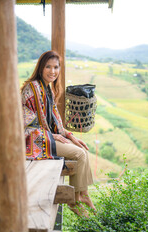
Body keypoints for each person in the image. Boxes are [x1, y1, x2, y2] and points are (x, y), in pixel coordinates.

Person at [21, 50, 96, 217]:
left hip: (46, 137)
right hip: (34, 141)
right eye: (48, 67)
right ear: (41, 68)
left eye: (56, 67)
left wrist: (70, 136)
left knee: (82, 149)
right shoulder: (31, 88)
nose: (52, 71)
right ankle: (76, 200)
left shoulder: (48, 88)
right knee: (79, 154)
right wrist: (53, 136)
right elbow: (23, 122)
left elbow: (55, 121)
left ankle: (83, 195)